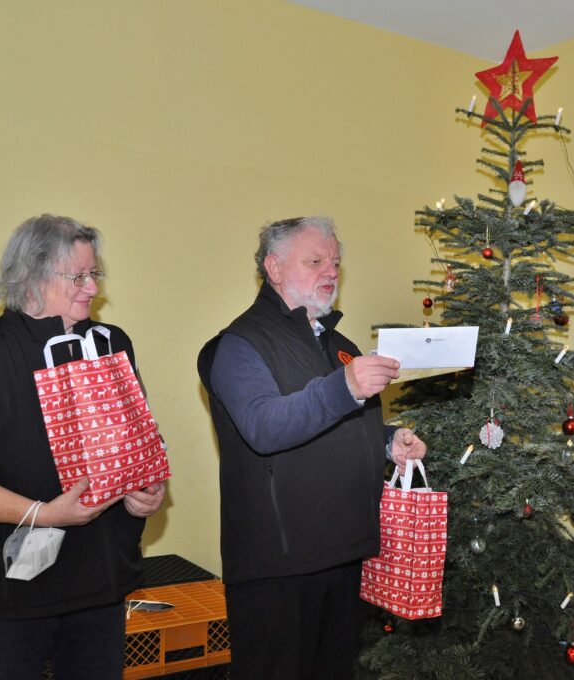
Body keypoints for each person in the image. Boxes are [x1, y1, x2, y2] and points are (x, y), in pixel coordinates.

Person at [0, 214, 166, 679]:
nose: (92, 288)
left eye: (95, 274)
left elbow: (139, 442)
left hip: (102, 585)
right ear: (29, 277)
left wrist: (146, 491)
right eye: (78, 276)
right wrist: (43, 514)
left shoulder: (113, 345)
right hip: (12, 600)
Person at [197, 216, 427, 680]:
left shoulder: (341, 344)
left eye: (336, 262)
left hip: (344, 555)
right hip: (279, 568)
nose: (331, 272)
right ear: (275, 268)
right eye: (316, 260)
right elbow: (263, 426)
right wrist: (346, 385)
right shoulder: (238, 345)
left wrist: (389, 442)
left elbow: (345, 423)